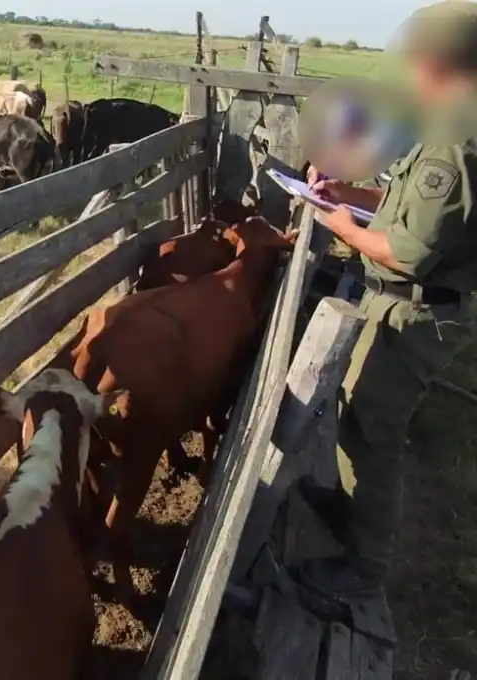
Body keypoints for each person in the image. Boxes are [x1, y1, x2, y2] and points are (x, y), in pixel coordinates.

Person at [296, 0, 477, 602]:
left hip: (416, 309)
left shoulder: (455, 143)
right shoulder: (445, 130)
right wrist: (347, 195)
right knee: (357, 416)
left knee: (375, 435)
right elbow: (406, 212)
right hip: (400, 301)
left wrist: (340, 227)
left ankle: (363, 568)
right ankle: (351, 515)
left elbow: (409, 252)